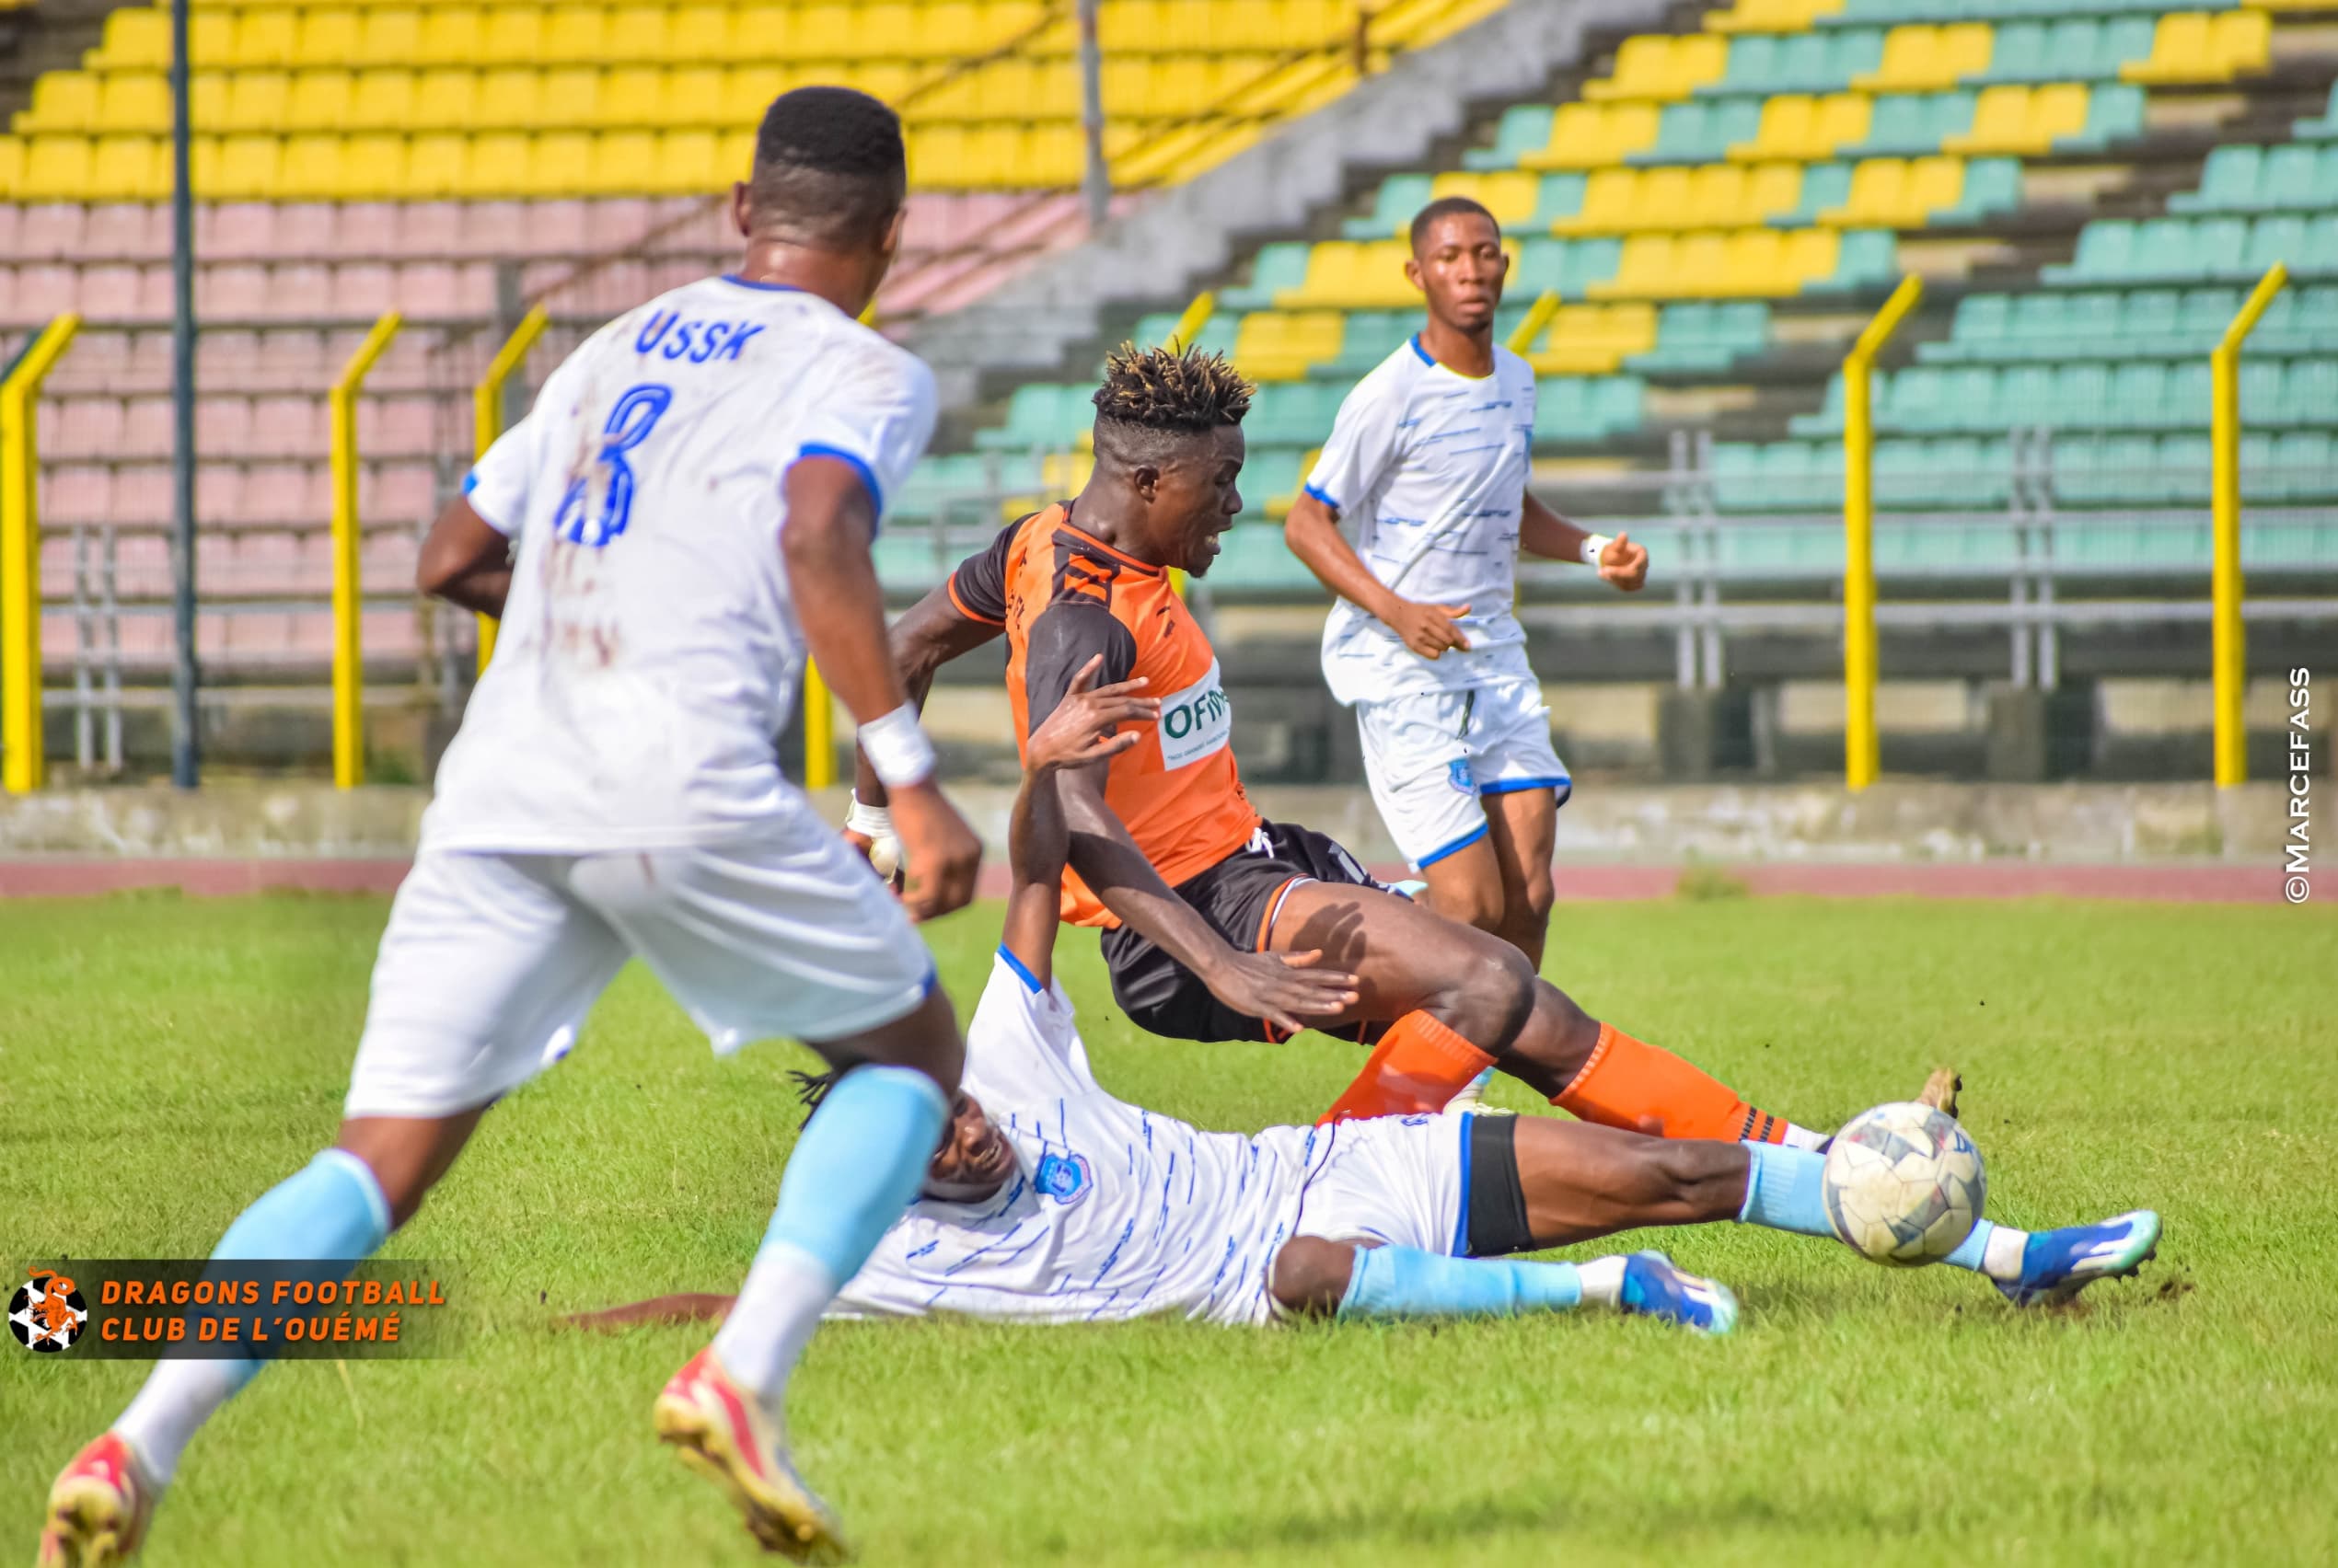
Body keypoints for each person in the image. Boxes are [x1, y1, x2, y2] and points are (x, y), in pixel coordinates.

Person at [41, 87, 979, 1568]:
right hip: (679, 772)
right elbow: (816, 530)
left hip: (501, 780)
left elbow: (451, 555)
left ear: (743, 210)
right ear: (893, 234)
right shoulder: (862, 368)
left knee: (377, 1162)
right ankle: (742, 1372)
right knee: (917, 1053)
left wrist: (576, 618)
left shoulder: (619, 344)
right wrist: (908, 768)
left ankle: (133, 1440)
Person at [578, 663, 2162, 1336]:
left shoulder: (998, 1047)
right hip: (1278, 1267)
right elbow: (723, 1315)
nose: (977, 1127)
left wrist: (1049, 768)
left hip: (1313, 1167)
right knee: (1312, 1273)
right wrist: (562, 1324)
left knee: (1674, 1163)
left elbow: (1042, 868)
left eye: (966, 1109)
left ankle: (2010, 1253)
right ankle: (1618, 1294)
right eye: (945, 1138)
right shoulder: (890, 1257)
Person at [848, 341, 1824, 1145]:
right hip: (1196, 916)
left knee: (1518, 1010)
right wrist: (1220, 964)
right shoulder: (1086, 620)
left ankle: (1806, 1160)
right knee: (1485, 981)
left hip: (1258, 862)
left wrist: (866, 822)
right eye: (1219, 482)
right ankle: (1315, 1202)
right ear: (1147, 480)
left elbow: (900, 651)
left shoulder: (1037, 542)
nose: (1235, 504)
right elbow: (1069, 808)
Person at [1281, 195, 1649, 974]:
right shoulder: (1390, 394)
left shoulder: (1518, 381)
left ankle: (1478, 1068)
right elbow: (1307, 523)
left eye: (1484, 252)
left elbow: (1508, 506)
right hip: (1401, 669)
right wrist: (1399, 611)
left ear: (1504, 265)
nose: (1470, 270)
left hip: (1495, 659)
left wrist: (1591, 551)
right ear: (1418, 274)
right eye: (1449, 257)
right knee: (1471, 905)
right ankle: (1343, 924)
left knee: (1530, 898)